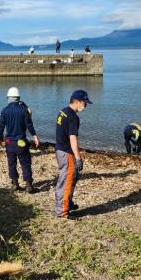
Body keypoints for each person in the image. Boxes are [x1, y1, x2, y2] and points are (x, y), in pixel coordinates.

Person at [54, 89, 92, 218]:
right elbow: (73, 138)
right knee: (66, 181)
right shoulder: (73, 117)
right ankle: (63, 212)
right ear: (77, 101)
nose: (86, 105)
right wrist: (78, 158)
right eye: (84, 102)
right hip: (66, 152)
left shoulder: (63, 111)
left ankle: (67, 203)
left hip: (59, 149)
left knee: (71, 178)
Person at [0, 87, 40, 193]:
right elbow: (29, 125)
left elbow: (1, 127)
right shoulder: (24, 110)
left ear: (9, 98)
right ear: (18, 98)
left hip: (9, 142)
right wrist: (35, 136)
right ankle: (29, 186)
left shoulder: (4, 111)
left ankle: (15, 184)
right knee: (25, 163)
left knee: (11, 163)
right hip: (21, 142)